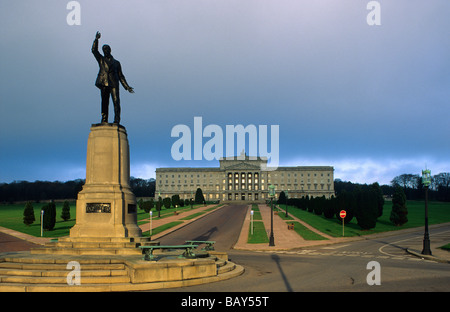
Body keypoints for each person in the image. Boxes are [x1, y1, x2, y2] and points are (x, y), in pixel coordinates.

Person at [92, 31, 134, 124]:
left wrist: (126, 86)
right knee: (104, 102)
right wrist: (96, 40)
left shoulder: (116, 63)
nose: (105, 51)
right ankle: (104, 119)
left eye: (106, 49)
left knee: (116, 102)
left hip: (114, 83)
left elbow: (121, 76)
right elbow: (94, 51)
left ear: (110, 50)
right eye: (104, 50)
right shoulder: (101, 59)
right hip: (104, 83)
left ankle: (117, 120)